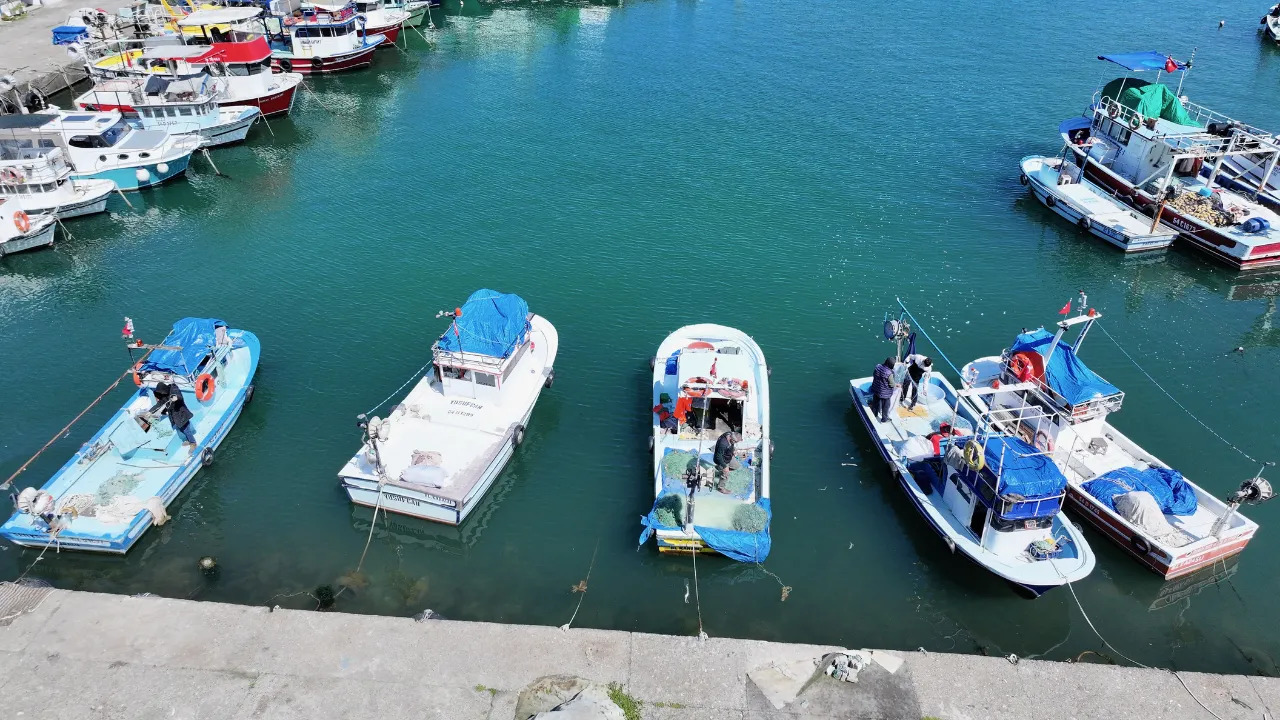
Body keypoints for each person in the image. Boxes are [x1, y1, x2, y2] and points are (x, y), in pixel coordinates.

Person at [869, 357, 897, 423]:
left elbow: (874, 375)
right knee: (885, 406)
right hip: (885, 393)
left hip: (876, 389)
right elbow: (892, 384)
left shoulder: (877, 367)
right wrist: (897, 385)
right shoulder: (889, 373)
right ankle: (884, 419)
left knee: (875, 402)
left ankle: (874, 414)